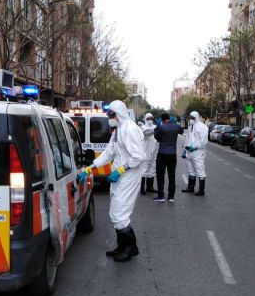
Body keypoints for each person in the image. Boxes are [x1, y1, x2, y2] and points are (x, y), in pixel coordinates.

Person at [77, 100, 145, 262]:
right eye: (109, 114)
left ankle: (129, 248)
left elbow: (139, 157)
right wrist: (90, 167)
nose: (109, 117)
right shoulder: (118, 130)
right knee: (115, 213)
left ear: (119, 113)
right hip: (119, 175)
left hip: (128, 176)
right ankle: (123, 246)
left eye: (111, 114)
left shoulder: (130, 129)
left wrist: (120, 170)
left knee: (120, 214)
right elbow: (108, 153)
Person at [153, 113, 181, 203]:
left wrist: (158, 127)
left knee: (160, 175)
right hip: (172, 154)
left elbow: (156, 137)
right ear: (169, 118)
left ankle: (161, 196)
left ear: (162, 119)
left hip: (162, 153)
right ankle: (171, 197)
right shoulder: (175, 126)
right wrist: (176, 124)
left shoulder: (161, 127)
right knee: (171, 175)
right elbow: (181, 131)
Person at [182, 111, 209, 196]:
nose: (190, 120)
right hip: (189, 152)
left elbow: (204, 141)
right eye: (190, 118)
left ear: (196, 117)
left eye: (192, 118)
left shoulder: (203, 127)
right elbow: (188, 138)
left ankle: (201, 190)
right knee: (191, 171)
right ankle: (191, 187)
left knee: (200, 171)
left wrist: (196, 147)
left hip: (198, 153)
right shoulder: (191, 126)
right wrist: (185, 150)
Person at [140, 113, 158, 195]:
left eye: (151, 118)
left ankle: (150, 187)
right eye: (148, 118)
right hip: (145, 152)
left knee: (152, 170)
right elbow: (145, 134)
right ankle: (142, 188)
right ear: (145, 119)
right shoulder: (142, 128)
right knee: (144, 171)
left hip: (154, 152)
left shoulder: (155, 127)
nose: (150, 120)